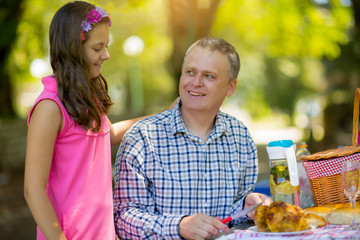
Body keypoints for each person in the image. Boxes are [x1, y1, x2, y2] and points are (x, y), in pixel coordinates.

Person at [24, 1, 169, 239]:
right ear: (72, 48)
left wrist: (163, 115)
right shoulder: (49, 108)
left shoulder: (85, 96)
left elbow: (108, 134)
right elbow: (33, 190)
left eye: (106, 46)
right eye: (97, 48)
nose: (106, 55)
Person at [113, 37, 272, 240]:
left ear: (230, 87)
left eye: (209, 76)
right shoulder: (142, 137)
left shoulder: (240, 136)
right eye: (190, 72)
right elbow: (122, 219)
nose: (196, 82)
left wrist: (246, 206)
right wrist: (180, 226)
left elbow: (233, 217)